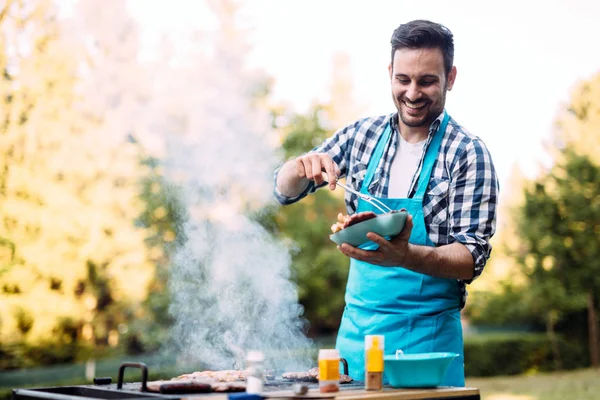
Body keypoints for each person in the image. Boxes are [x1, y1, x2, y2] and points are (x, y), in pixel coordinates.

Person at [273, 19, 499, 386]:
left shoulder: (468, 154)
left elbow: (471, 259)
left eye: (427, 81)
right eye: (403, 79)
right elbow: (283, 191)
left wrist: (406, 255)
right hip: (356, 344)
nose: (412, 93)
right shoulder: (361, 135)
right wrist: (299, 166)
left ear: (451, 77)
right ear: (390, 73)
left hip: (427, 347)